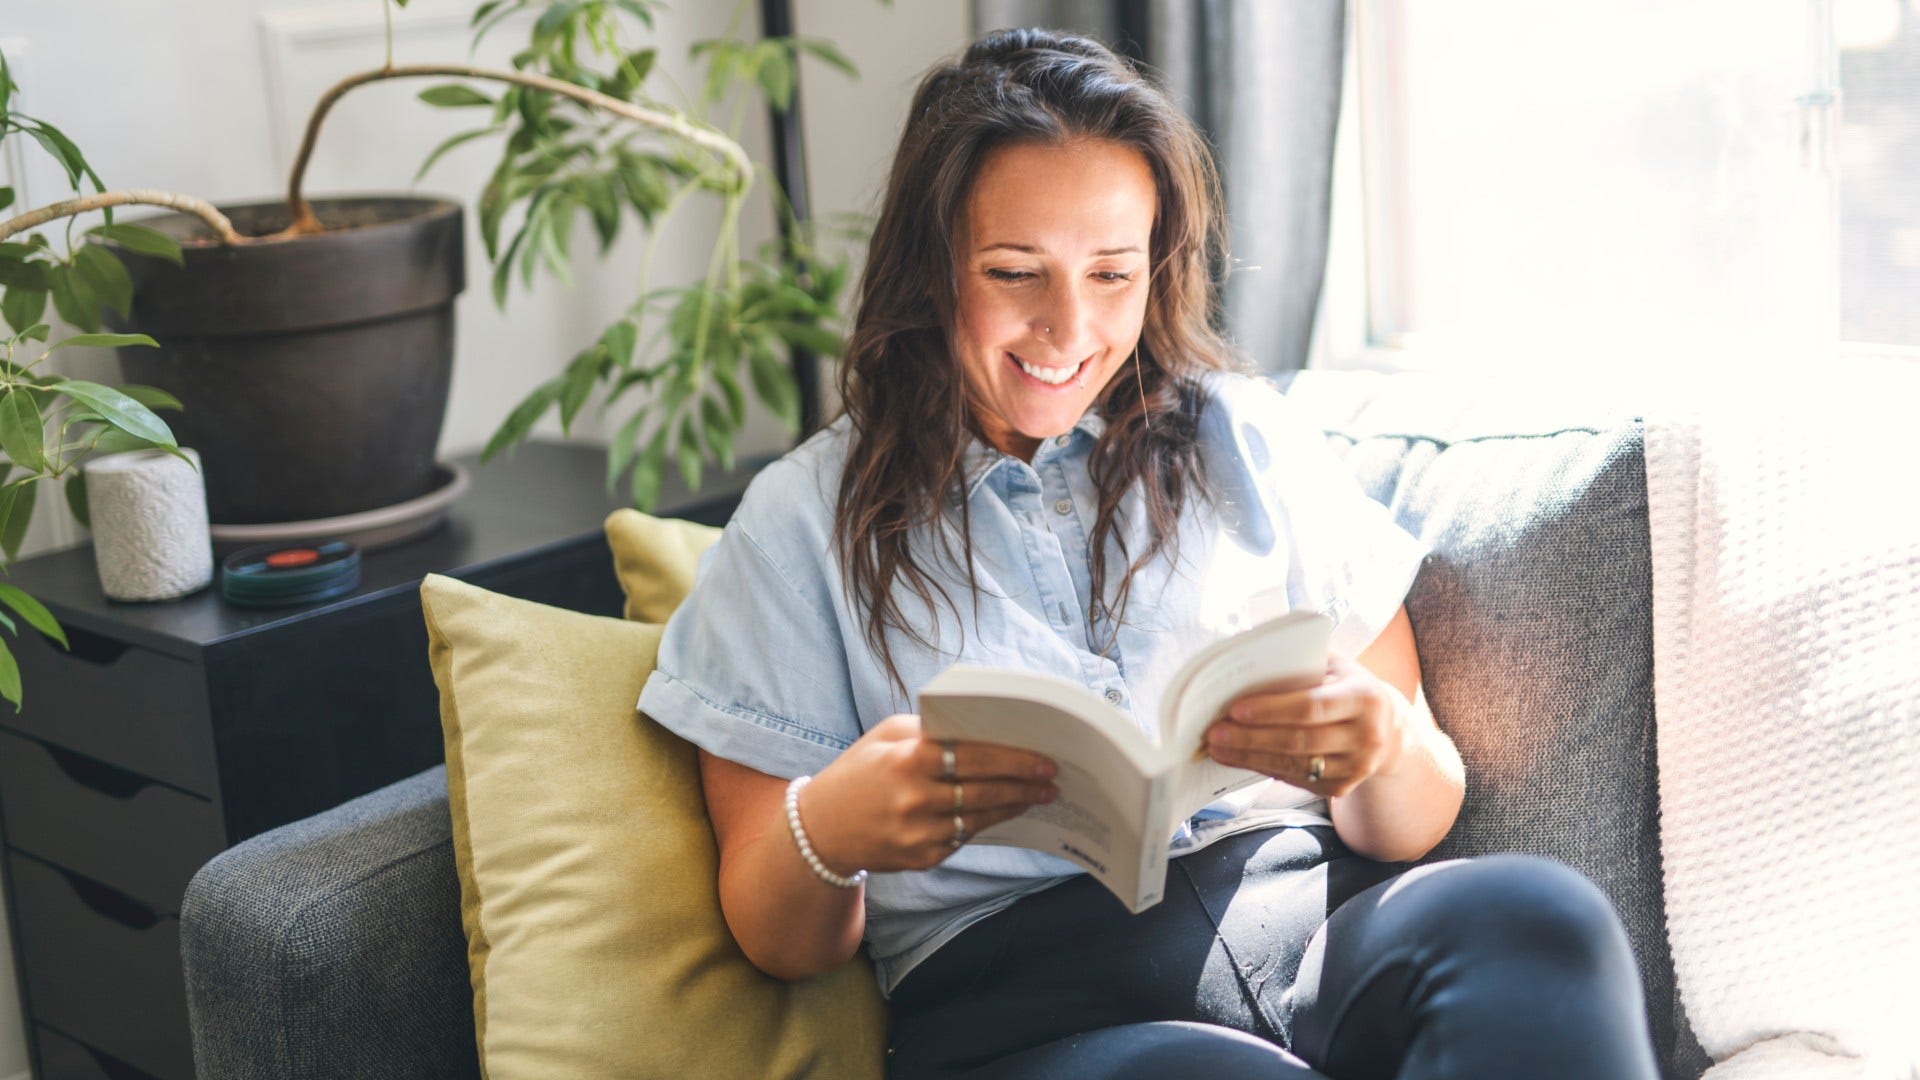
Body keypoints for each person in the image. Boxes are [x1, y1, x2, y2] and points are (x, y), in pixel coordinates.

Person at [639, 28, 1662, 1080]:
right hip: (1026, 1004)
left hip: (1311, 925)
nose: (1068, 328)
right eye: (1013, 272)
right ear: (931, 267)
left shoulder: (1242, 437)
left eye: (1112, 274)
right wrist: (833, 828)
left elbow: (1412, 817)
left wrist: (1386, 747)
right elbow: (774, 931)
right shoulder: (802, 520)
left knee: (1536, 914)